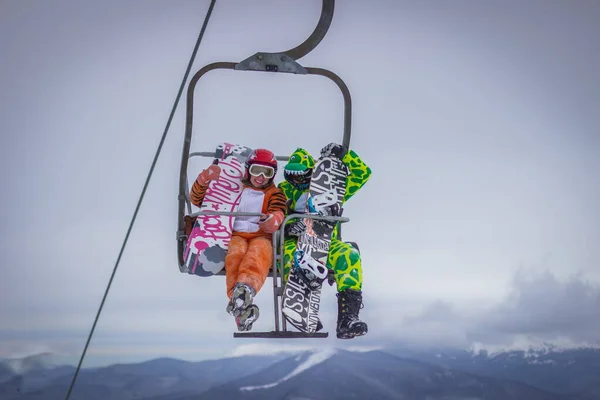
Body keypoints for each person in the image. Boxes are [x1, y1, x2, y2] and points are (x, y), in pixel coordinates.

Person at [278, 142, 372, 339]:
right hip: (295, 242)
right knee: (290, 258)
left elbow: (362, 173)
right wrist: (287, 228)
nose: (298, 180)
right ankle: (302, 309)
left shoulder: (331, 188)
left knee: (349, 254)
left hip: (325, 241)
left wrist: (344, 156)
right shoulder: (284, 191)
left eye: (303, 175)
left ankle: (348, 317)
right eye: (292, 176)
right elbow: (274, 214)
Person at [190, 148, 287, 331]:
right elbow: (197, 199)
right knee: (235, 255)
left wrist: (274, 220)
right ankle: (241, 303)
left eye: (267, 173)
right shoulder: (231, 187)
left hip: (261, 235)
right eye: (256, 170)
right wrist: (204, 180)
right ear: (247, 169)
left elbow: (279, 209)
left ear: (273, 175)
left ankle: (245, 289)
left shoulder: (274, 192)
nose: (260, 177)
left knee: (258, 254)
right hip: (234, 234)